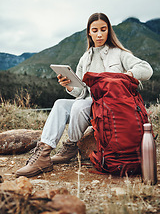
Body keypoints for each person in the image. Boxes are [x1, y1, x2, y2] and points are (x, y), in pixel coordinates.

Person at [16, 13, 153, 178]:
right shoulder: (85, 59)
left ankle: (71, 145)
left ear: (109, 31)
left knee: (81, 106)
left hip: (110, 106)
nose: (99, 34)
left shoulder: (119, 53)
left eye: (103, 29)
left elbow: (146, 69)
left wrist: (125, 75)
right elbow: (81, 92)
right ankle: (43, 154)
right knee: (60, 103)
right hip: (90, 104)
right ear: (89, 33)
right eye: (95, 30)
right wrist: (69, 85)